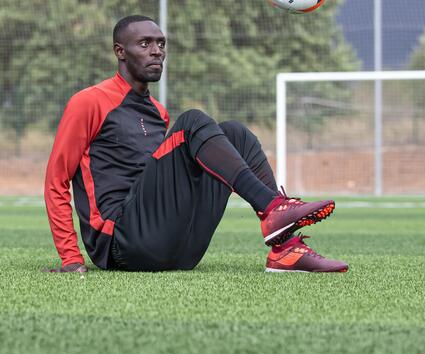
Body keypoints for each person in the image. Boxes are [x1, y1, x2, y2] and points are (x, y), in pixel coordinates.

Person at [44, 15, 348, 274]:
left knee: (235, 133)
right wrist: (70, 257)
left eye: (161, 44)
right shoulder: (89, 102)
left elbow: (159, 181)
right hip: (121, 243)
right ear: (120, 51)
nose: (157, 52)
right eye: (145, 44)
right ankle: (273, 208)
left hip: (179, 249)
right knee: (192, 121)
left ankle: (285, 250)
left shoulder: (157, 113)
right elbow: (56, 180)